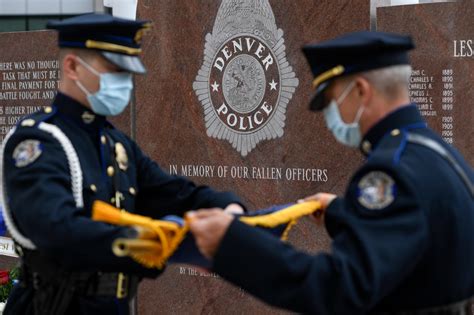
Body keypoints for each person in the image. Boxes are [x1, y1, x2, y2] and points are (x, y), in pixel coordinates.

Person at [188, 31, 474, 314]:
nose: (329, 117)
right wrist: (341, 212)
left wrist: (232, 244)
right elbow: (412, 233)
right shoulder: (436, 151)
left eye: (331, 100)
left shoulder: (390, 171)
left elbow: (339, 288)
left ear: (362, 90)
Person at [1, 13, 244, 315]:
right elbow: (58, 232)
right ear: (72, 66)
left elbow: (175, 193)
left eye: (127, 75)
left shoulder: (115, 145)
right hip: (52, 306)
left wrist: (231, 211)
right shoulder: (38, 143)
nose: (124, 84)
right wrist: (164, 242)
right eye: (114, 71)